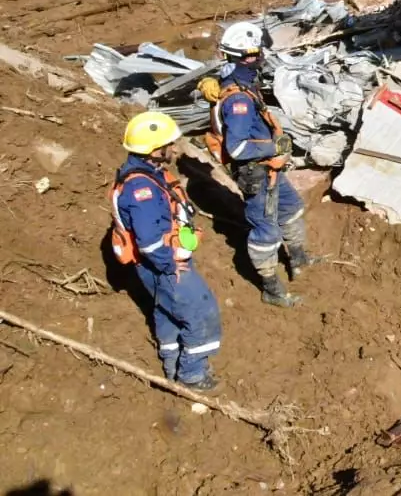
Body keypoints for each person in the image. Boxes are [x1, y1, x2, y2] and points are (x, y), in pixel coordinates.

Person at [204, 21, 319, 308]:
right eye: (254, 54)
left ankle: (299, 261)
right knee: (266, 232)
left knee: (291, 208)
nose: (259, 58)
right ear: (242, 57)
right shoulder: (238, 99)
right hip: (255, 172)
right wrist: (274, 147)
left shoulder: (244, 84)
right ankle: (272, 288)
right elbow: (238, 147)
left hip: (270, 167)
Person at [110, 112, 221, 391]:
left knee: (167, 311)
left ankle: (172, 363)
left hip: (162, 263)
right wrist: (171, 266)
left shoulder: (148, 175)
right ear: (153, 150)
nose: (174, 148)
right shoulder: (141, 188)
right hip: (164, 264)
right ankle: (192, 376)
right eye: (168, 144)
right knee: (200, 311)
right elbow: (149, 242)